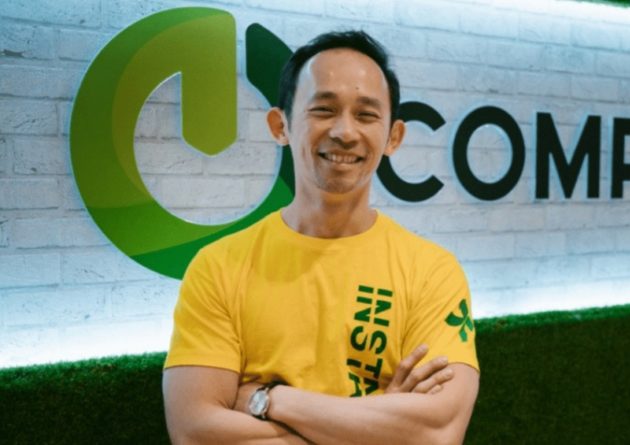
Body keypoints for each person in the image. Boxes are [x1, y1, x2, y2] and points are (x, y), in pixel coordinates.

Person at [162, 30, 479, 444]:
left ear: (394, 137)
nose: (345, 132)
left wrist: (268, 399)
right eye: (324, 109)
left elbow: (437, 433)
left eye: (366, 115)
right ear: (281, 125)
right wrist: (377, 424)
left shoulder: (432, 271)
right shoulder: (218, 267)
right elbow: (195, 433)